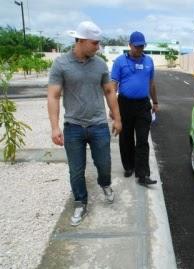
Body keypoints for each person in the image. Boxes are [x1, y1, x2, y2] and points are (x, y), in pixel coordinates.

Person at [47, 21, 122, 226]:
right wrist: (54, 127)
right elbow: (53, 96)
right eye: (94, 43)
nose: (98, 47)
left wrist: (117, 118)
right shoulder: (61, 64)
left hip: (98, 125)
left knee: (104, 164)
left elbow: (109, 91)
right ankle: (80, 201)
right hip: (73, 127)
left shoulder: (100, 64)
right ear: (80, 40)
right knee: (76, 169)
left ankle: (105, 184)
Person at [111, 31, 159, 186]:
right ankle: (129, 166)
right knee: (126, 138)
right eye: (137, 46)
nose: (139, 49)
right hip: (124, 104)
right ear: (130, 45)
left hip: (143, 105)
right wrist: (113, 109)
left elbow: (151, 83)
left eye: (142, 46)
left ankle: (142, 174)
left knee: (143, 140)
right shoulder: (119, 62)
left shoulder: (149, 61)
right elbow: (113, 87)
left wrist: (155, 102)